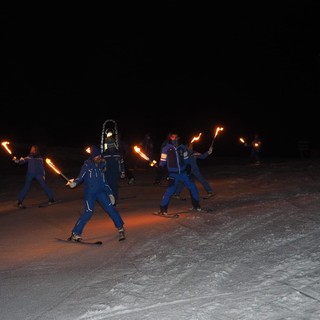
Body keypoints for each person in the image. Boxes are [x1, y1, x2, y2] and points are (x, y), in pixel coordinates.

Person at [66, 145, 125, 242]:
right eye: (97, 156)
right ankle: (75, 234)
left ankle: (121, 229)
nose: (99, 158)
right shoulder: (87, 166)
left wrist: (110, 193)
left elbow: (104, 182)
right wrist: (74, 183)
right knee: (88, 212)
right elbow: (80, 177)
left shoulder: (101, 166)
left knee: (111, 209)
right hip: (90, 193)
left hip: (101, 192)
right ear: (93, 157)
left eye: (99, 156)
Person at [156, 133, 201, 215]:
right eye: (172, 136)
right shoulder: (166, 148)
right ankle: (163, 209)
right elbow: (163, 160)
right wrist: (160, 167)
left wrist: (188, 168)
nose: (174, 138)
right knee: (170, 190)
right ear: (170, 138)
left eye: (175, 136)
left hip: (183, 173)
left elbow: (186, 159)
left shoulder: (182, 148)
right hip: (173, 174)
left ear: (178, 138)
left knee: (193, 187)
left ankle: (196, 205)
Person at [102, 135, 125, 206]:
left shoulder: (117, 154)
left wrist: (122, 172)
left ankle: (114, 202)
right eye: (108, 144)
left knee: (114, 187)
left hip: (115, 173)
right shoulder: (104, 154)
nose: (110, 146)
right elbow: (101, 164)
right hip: (107, 173)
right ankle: (109, 201)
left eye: (111, 144)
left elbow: (121, 163)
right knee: (108, 187)